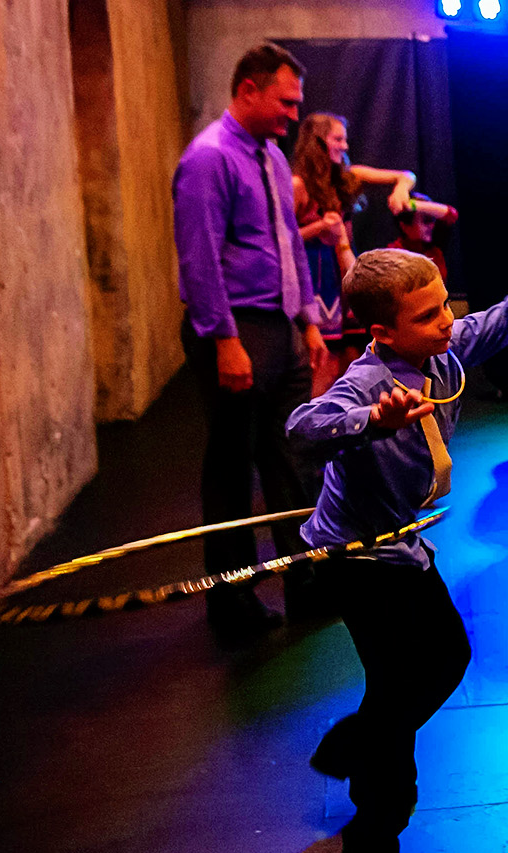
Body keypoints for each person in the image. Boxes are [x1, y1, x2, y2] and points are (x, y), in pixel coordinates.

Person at [286, 249, 508, 853]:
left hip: (404, 545)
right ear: (383, 332)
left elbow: (481, 330)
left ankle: (355, 741)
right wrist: (372, 421)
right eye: (428, 315)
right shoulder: (367, 383)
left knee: (448, 657)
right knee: (395, 692)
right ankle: (374, 843)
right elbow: (302, 430)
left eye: (445, 302)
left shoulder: (439, 354)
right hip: (355, 559)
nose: (447, 321)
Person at [173, 42, 329, 643]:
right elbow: (199, 259)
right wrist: (224, 340)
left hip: (280, 328)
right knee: (232, 472)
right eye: (286, 103)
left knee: (292, 459)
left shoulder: (267, 155)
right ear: (248, 90)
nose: (294, 115)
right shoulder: (208, 159)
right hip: (235, 330)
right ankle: (232, 605)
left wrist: (308, 319)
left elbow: (289, 244)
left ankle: (306, 585)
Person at [290, 112, 422, 396]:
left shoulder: (348, 177)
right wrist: (318, 228)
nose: (345, 146)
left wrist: (401, 189)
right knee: (324, 361)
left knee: (351, 359)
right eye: (338, 139)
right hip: (316, 279)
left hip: (344, 273)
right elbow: (282, 242)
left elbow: (405, 175)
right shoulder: (298, 186)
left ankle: (345, 425)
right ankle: (313, 426)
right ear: (318, 142)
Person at [386, 193, 458, 283]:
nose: (431, 226)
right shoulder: (394, 254)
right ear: (405, 227)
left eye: (432, 220)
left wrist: (413, 205)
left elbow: (452, 214)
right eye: (426, 220)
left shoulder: (434, 250)